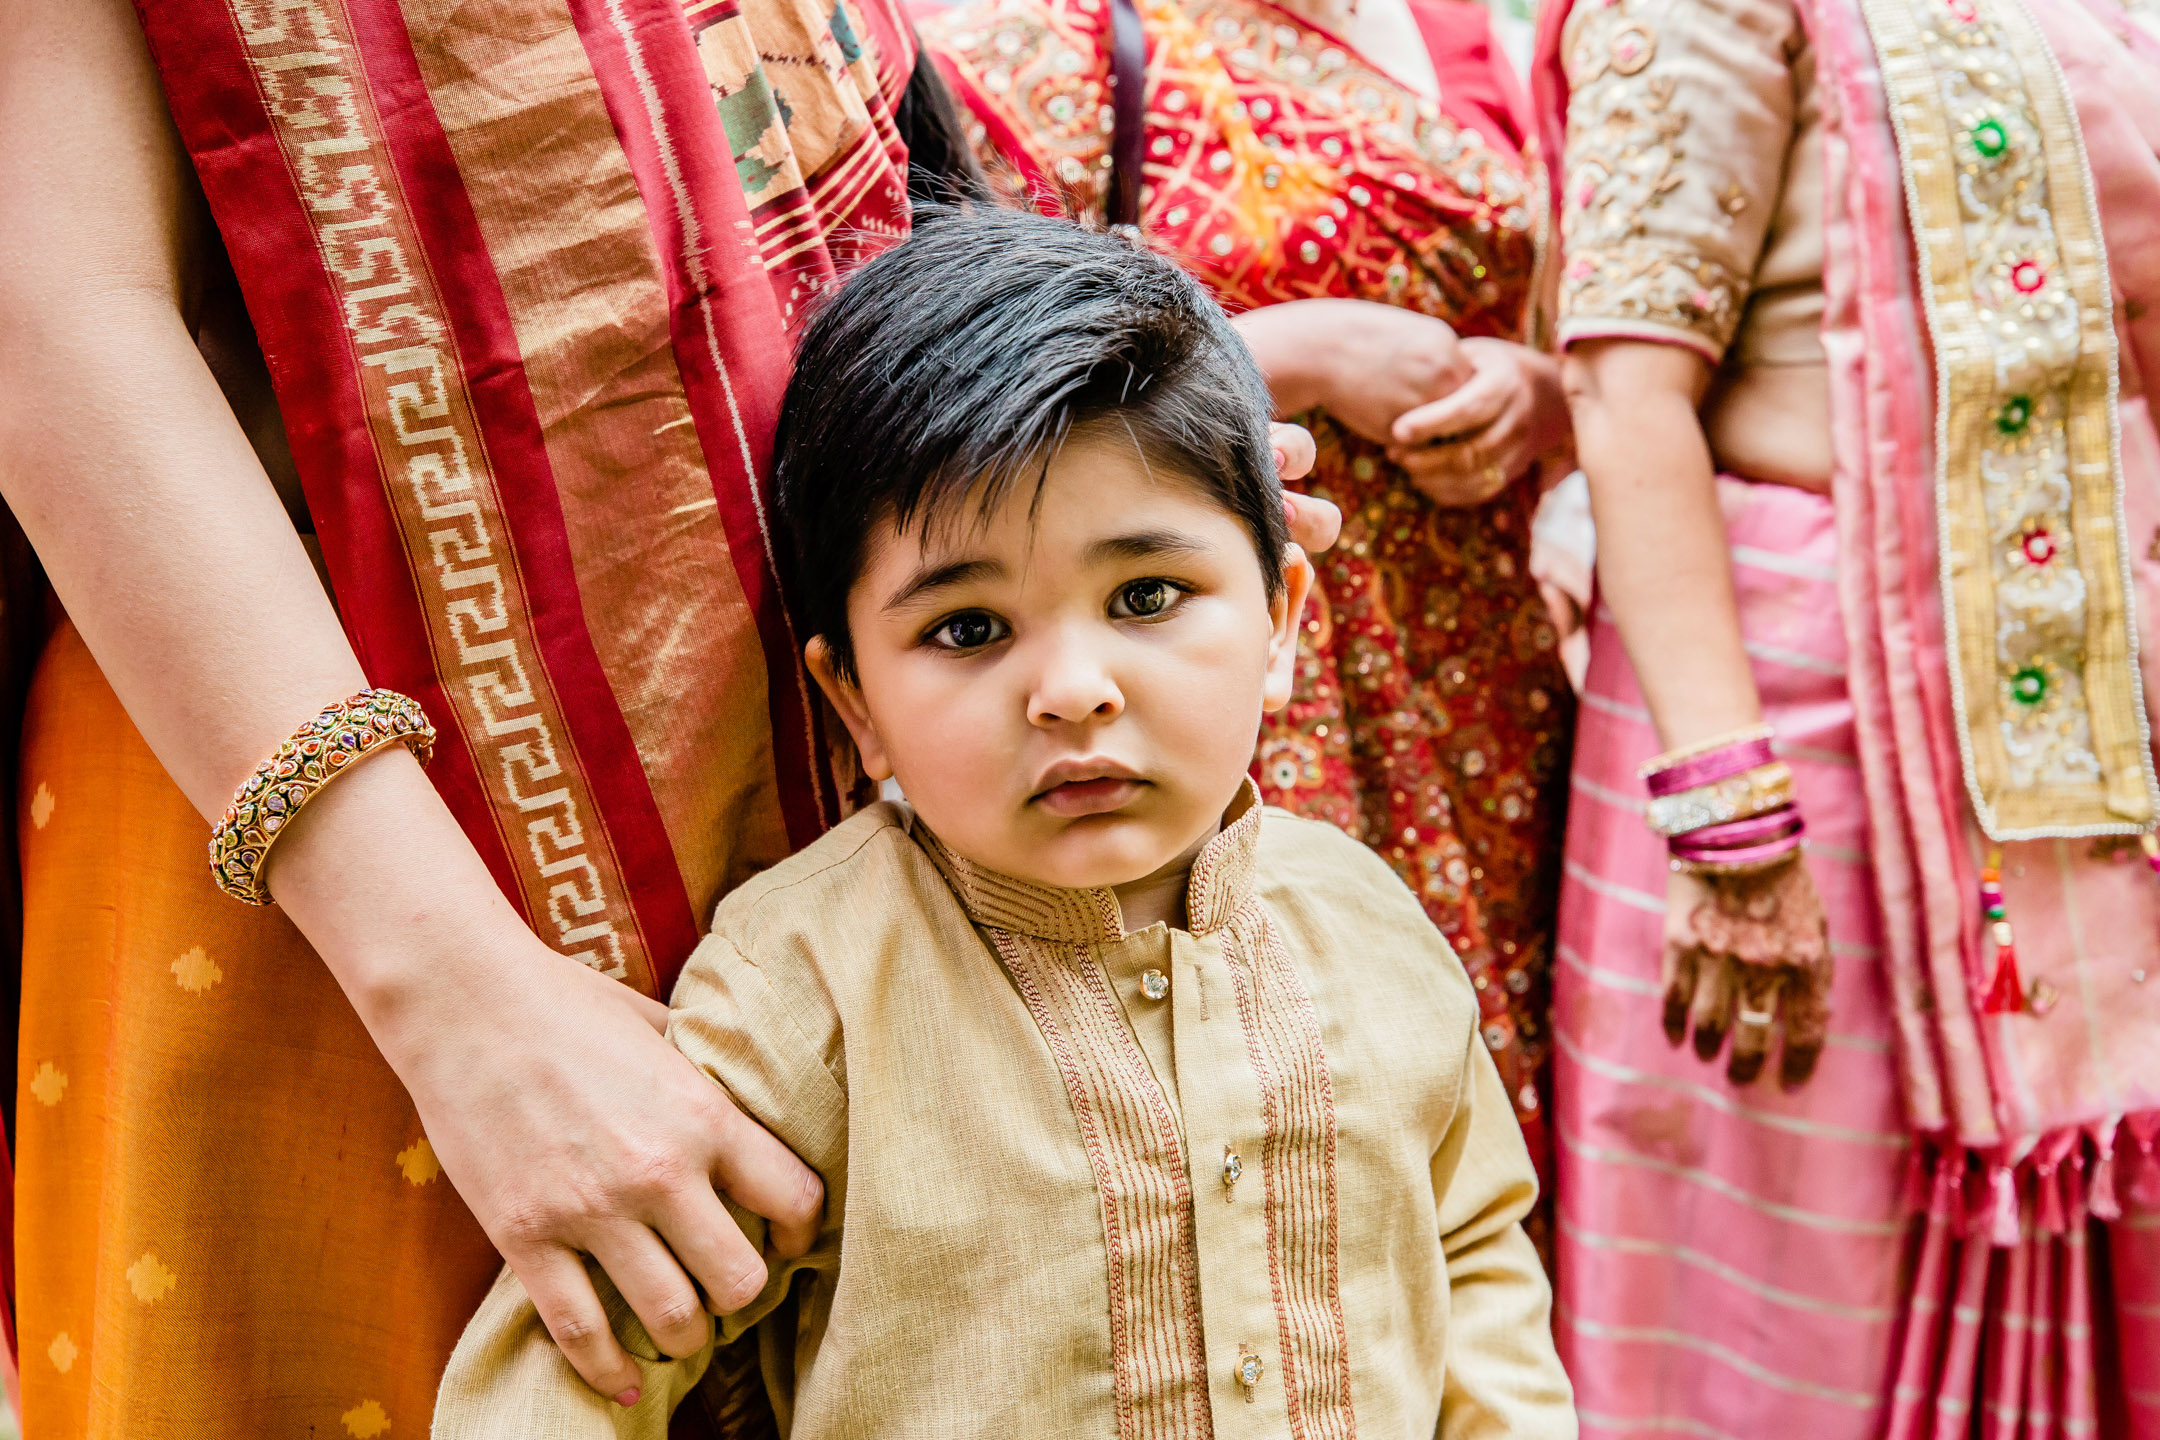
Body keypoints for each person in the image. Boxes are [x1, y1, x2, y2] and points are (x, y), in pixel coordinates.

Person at [0, 0, 1342, 1432]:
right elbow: (48, 310)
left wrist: (1090, 456)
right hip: (358, 849)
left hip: (852, 761)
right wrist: (455, 1002)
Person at [431, 204, 1575, 1440]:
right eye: (968, 629)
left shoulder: (1366, 921)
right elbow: (569, 1373)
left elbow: (1469, 1253)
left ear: (1283, 620)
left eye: (1147, 595)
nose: (1074, 688)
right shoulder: (808, 986)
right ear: (853, 699)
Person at [1537, 0, 2160, 1429]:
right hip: (1787, 723)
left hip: (2065, 719)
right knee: (1804, 1270)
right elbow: (1627, 392)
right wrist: (1732, 819)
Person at [916, 0, 1578, 1250]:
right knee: (1298, 1077)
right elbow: (979, 410)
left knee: (1498, 1087)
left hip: (1485, 673)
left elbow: (1581, 331)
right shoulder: (1049, 44)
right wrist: (1293, 354)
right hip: (1251, 678)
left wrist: (1538, 397)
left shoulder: (1475, 37)